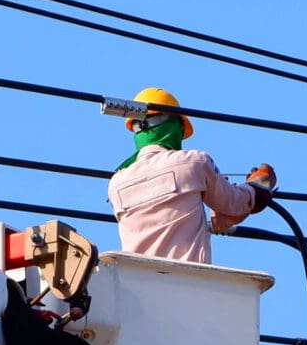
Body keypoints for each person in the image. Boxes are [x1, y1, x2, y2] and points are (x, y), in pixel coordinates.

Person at [104, 87, 274, 264]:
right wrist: (258, 186)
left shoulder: (117, 183)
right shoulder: (193, 162)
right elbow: (234, 202)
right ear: (175, 126)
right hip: (187, 281)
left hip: (137, 283)